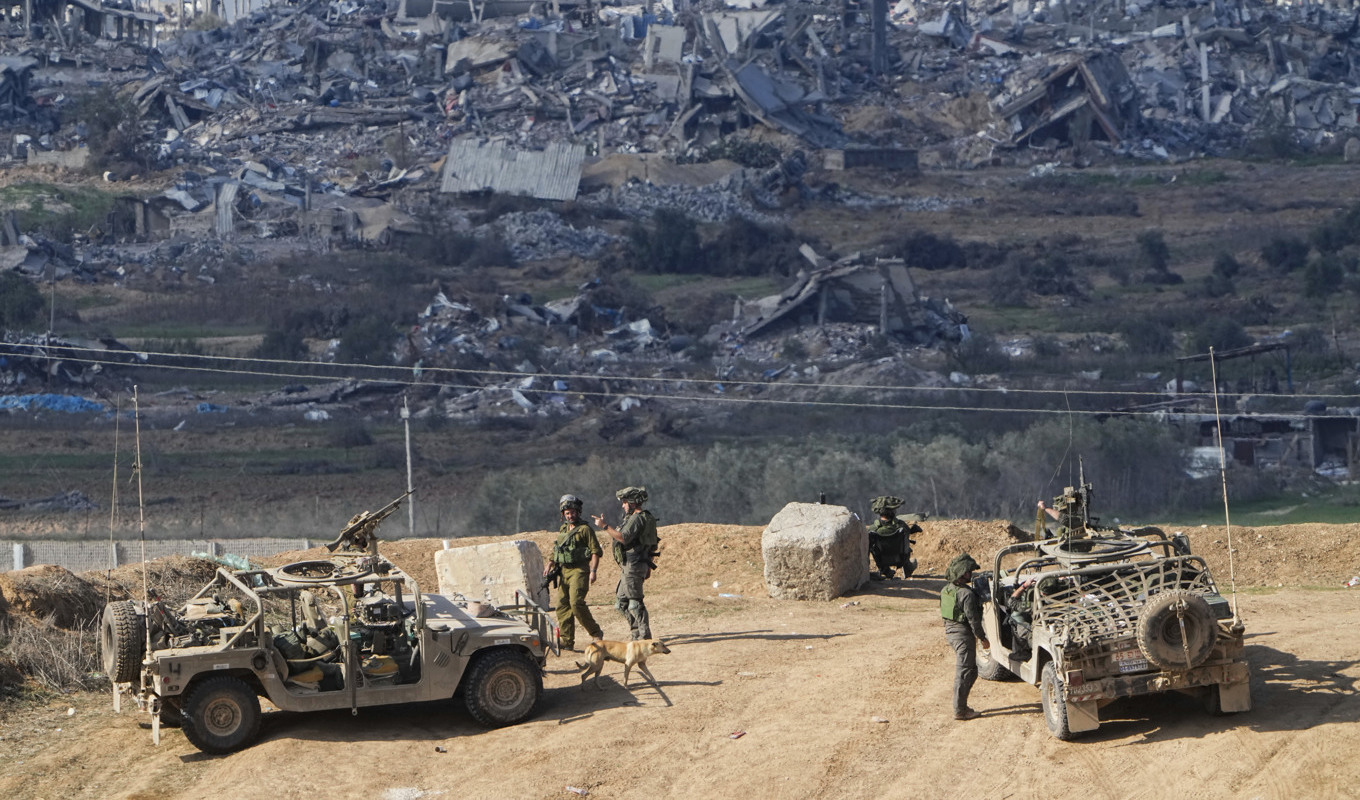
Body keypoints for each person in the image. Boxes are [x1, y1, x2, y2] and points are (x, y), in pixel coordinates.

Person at [593, 486, 658, 641]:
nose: (623, 506)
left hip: (633, 565)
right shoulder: (642, 517)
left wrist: (604, 526)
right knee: (621, 603)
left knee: (635, 603)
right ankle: (636, 633)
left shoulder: (637, 518)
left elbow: (623, 537)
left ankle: (645, 637)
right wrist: (648, 566)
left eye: (625, 502)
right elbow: (651, 545)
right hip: (632, 565)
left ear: (632, 502)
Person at [546, 494, 604, 652]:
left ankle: (596, 633)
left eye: (573, 512)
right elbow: (557, 549)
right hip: (564, 570)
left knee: (576, 603)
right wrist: (550, 564)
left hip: (579, 570)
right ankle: (567, 640)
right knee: (562, 605)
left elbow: (595, 552)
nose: (570, 516)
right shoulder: (564, 529)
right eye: (567, 513)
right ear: (563, 514)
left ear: (578, 512)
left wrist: (593, 571)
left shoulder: (585, 530)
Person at [941, 552, 989, 721]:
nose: (971, 574)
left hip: (951, 633)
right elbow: (973, 620)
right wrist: (983, 638)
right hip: (963, 636)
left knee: (972, 671)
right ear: (962, 574)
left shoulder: (947, 590)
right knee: (964, 672)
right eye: (968, 572)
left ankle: (962, 707)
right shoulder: (966, 594)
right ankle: (960, 711)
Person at [865, 495, 918, 580]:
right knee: (906, 544)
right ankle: (907, 567)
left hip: (881, 560)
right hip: (900, 559)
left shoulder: (873, 529)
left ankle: (885, 571)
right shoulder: (901, 526)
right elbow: (906, 540)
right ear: (893, 511)